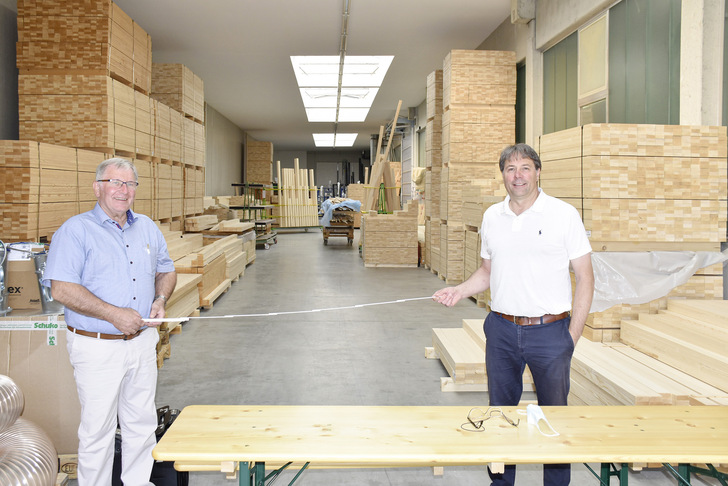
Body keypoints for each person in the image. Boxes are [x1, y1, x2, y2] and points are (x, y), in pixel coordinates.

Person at [433, 143, 594, 486]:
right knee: (499, 416)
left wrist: (571, 337)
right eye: (510, 169)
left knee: (553, 420)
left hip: (551, 332)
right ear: (502, 175)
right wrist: (458, 290)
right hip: (502, 330)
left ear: (538, 172)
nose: (517, 175)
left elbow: (586, 277)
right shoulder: (493, 216)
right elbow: (486, 272)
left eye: (525, 168)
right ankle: (501, 483)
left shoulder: (563, 214)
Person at [43, 157, 177, 485]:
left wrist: (160, 300)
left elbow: (166, 269)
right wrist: (112, 314)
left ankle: (137, 482)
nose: (123, 190)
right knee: (98, 431)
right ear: (97, 187)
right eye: (115, 183)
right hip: (97, 345)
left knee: (141, 425)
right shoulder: (75, 230)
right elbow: (61, 288)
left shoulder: (146, 226)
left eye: (130, 184)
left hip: (142, 342)